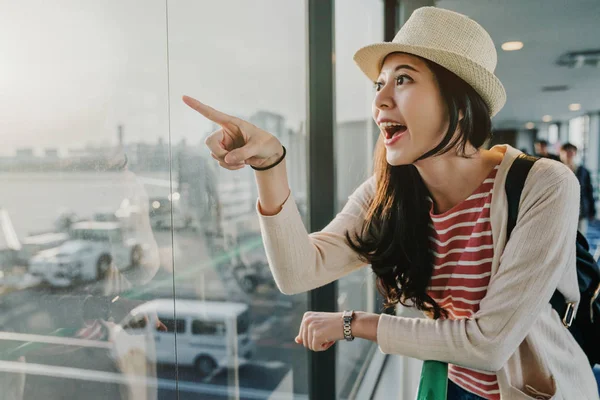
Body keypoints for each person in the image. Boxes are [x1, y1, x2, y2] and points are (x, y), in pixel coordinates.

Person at [183, 7, 598, 400]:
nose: (381, 100)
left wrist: (355, 324)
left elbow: (489, 343)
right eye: (379, 84)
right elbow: (297, 272)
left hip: (536, 389)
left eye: (403, 79)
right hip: (450, 381)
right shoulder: (388, 193)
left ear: (458, 101)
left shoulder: (542, 185)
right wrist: (270, 166)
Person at [560, 142, 596, 234]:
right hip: (563, 211)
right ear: (561, 154)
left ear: (575, 153)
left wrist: (592, 210)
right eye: (566, 152)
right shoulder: (557, 170)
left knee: (581, 238)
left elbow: (589, 190)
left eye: (571, 152)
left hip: (581, 210)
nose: (569, 155)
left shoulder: (583, 171)